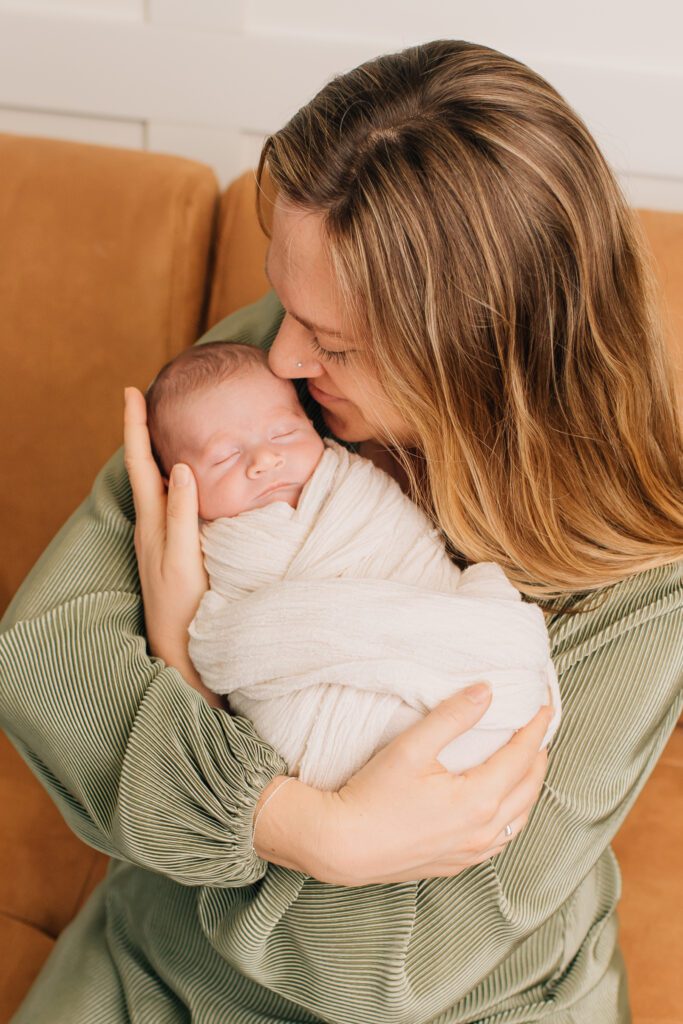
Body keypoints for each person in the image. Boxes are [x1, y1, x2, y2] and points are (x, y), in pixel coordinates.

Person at [0, 38, 681, 1024]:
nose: (275, 351)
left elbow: (376, 968)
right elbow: (45, 659)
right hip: (165, 958)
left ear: (475, 354)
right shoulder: (274, 378)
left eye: (330, 343)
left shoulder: (642, 578)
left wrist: (189, 672)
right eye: (284, 298)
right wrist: (305, 826)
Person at [146, 339, 560, 790]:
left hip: (451, 678)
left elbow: (412, 556)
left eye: (284, 434)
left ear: (309, 425)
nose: (265, 460)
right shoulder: (211, 547)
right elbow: (230, 648)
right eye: (225, 457)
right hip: (329, 730)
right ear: (176, 483)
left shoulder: (356, 491)